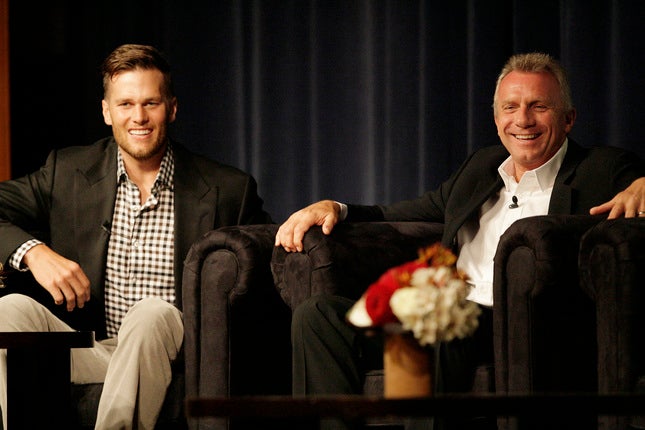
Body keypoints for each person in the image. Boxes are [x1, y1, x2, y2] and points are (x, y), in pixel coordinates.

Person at [275, 52, 645, 429]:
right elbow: (403, 212)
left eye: (539, 107)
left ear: (568, 119)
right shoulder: (480, 168)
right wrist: (335, 207)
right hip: (444, 318)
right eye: (510, 107)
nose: (523, 120)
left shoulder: (601, 169)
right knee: (319, 316)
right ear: (497, 119)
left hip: (521, 327)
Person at [0, 43, 271, 429]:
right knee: (8, 311)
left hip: (174, 353)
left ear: (172, 108)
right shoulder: (68, 170)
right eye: (125, 104)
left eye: (151, 103)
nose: (138, 117)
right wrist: (34, 252)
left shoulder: (228, 189)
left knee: (150, 314)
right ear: (107, 112)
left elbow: (264, 270)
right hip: (86, 347)